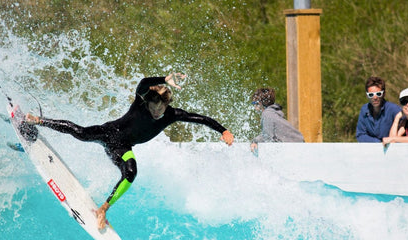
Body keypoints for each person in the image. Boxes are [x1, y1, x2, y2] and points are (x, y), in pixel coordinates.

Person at [26, 73, 234, 229]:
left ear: (166, 105)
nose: (155, 112)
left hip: (122, 148)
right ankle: (39, 120)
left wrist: (223, 130)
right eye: (153, 108)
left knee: (131, 172)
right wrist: (163, 78)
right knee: (80, 132)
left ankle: (103, 209)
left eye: (159, 109)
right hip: (109, 132)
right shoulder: (141, 103)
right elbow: (143, 83)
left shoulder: (172, 114)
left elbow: (201, 119)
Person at [250, 88, 304, 154]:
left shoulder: (267, 114)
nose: (254, 106)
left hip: (296, 147)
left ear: (259, 103)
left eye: (254, 103)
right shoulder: (273, 113)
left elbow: (267, 137)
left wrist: (255, 141)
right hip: (299, 144)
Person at [356, 76, 401, 142]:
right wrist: (378, 143)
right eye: (371, 95)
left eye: (378, 94)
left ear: (384, 94)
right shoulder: (364, 110)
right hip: (372, 148)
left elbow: (407, 125)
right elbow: (360, 135)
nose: (375, 97)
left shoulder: (393, 109)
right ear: (366, 95)